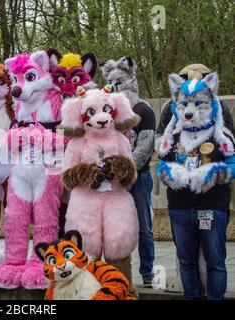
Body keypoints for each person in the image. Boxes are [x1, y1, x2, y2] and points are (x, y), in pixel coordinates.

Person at [157, 70, 234, 300]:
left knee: (215, 262)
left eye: (197, 104)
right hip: (180, 208)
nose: (190, 111)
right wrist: (171, 175)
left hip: (212, 207)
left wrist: (212, 175)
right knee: (186, 262)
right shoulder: (175, 137)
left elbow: (232, 165)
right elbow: (162, 165)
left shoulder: (221, 137)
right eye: (185, 105)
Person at [100, 56, 156, 287]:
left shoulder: (144, 109)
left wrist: (127, 169)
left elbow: (146, 144)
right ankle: (114, 272)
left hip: (138, 175)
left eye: (120, 81)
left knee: (144, 225)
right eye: (113, 83)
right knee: (115, 225)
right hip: (112, 179)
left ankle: (148, 272)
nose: (117, 87)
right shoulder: (106, 114)